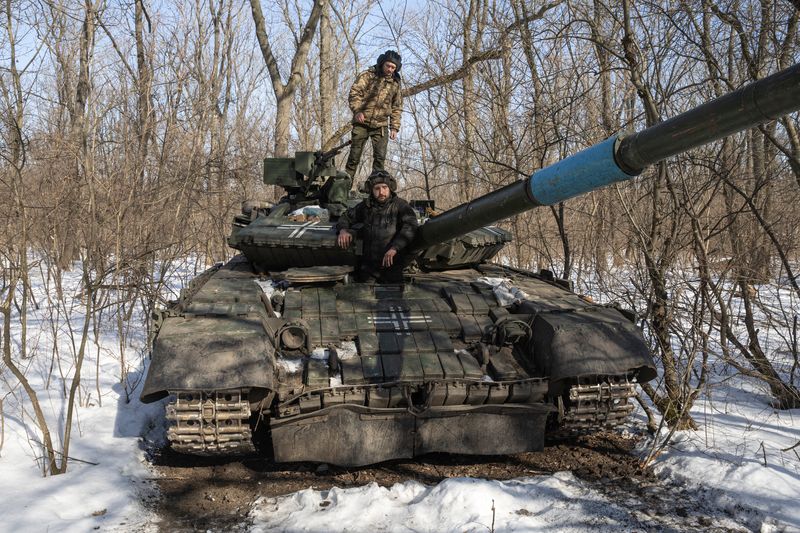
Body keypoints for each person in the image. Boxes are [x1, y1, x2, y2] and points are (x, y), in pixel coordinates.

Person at [336, 170, 417, 283]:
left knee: (392, 299)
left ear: (390, 188)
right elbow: (345, 217)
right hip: (368, 268)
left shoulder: (400, 205)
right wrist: (343, 230)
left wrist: (395, 248)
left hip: (392, 265)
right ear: (371, 190)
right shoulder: (365, 206)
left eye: (384, 187)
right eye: (377, 189)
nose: (381, 192)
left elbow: (410, 226)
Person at [344, 50, 403, 179]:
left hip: (381, 126)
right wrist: (358, 111)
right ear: (382, 63)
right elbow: (354, 94)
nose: (390, 69)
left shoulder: (395, 83)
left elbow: (397, 106)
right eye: (388, 66)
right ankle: (343, 190)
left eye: (393, 67)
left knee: (379, 160)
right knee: (354, 158)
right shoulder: (368, 76)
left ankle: (374, 193)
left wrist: (394, 127)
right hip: (362, 123)